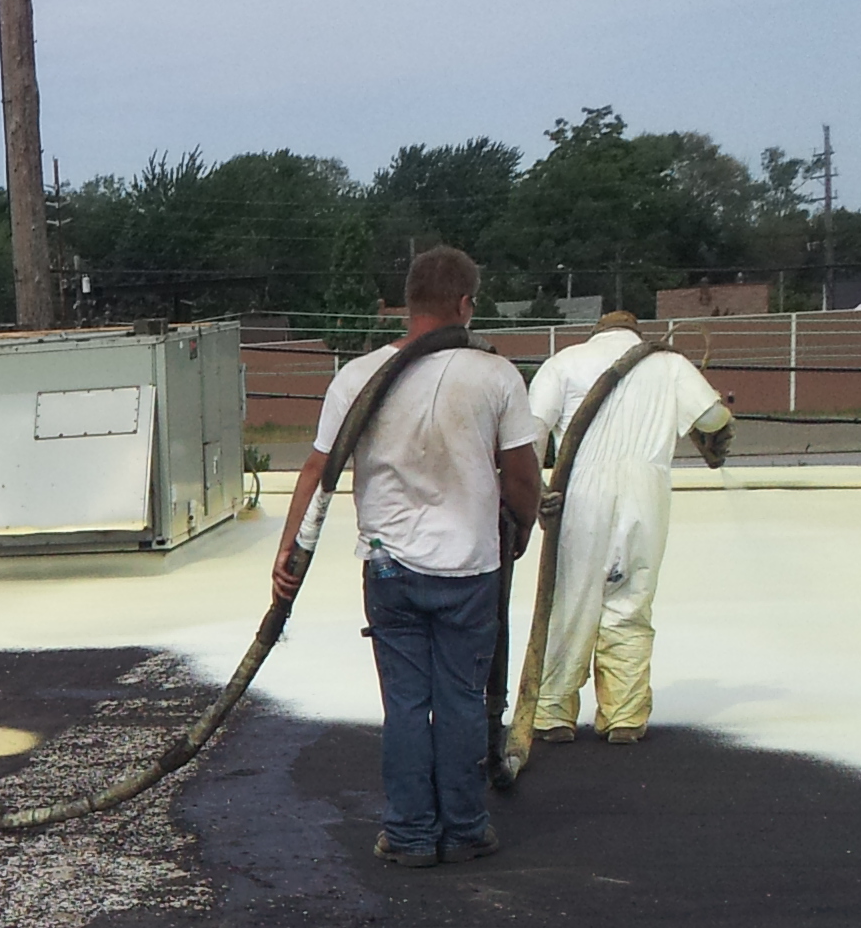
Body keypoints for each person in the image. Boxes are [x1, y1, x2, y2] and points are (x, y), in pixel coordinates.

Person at [269, 246, 540, 869]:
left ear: (407, 303)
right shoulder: (496, 376)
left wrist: (289, 549)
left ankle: (411, 834)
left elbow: (317, 467)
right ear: (465, 304)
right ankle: (465, 829)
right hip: (470, 570)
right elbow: (523, 476)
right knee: (463, 701)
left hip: (389, 568)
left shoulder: (356, 377)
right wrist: (522, 526)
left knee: (407, 706)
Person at [521, 309, 734, 745]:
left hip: (579, 493)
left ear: (597, 332)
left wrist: (537, 491)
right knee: (631, 601)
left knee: (571, 600)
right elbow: (714, 418)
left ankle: (552, 712)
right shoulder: (669, 363)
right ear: (636, 334)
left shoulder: (564, 362)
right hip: (646, 493)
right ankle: (625, 716)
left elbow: (531, 433)